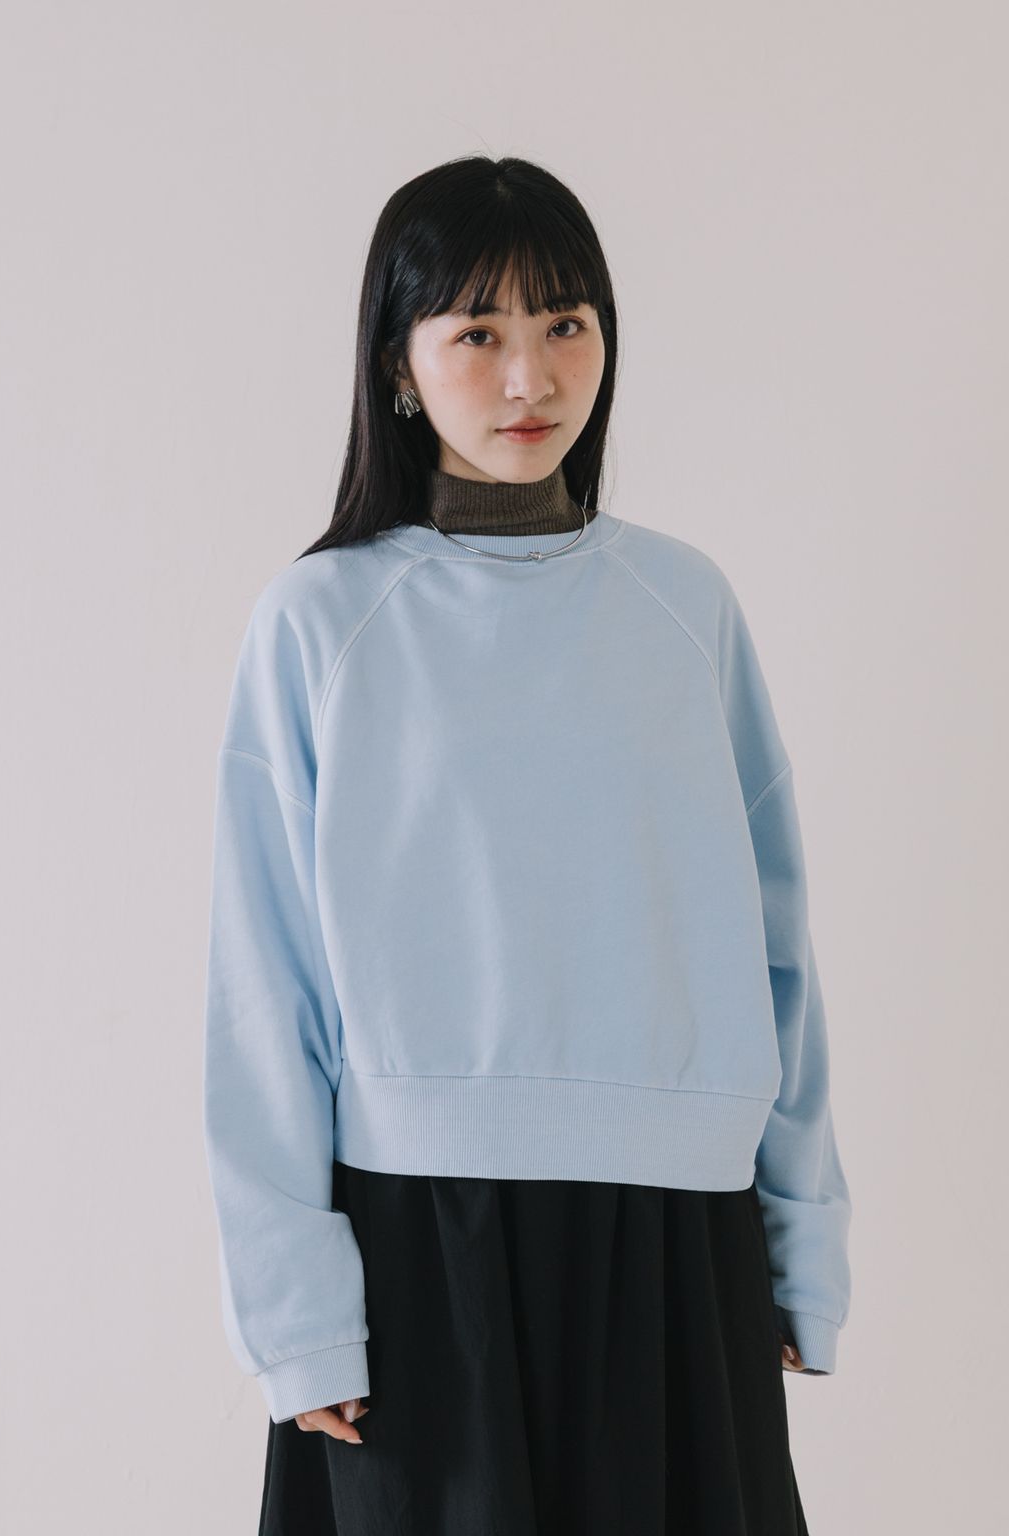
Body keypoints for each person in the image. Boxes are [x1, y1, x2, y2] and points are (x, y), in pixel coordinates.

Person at [203, 154, 852, 1535]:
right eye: (477, 332)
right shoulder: (322, 622)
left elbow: (775, 945)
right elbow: (266, 988)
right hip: (419, 1244)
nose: (529, 377)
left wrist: (801, 1239)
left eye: (565, 322)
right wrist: (293, 1310)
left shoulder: (684, 604)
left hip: (680, 1236)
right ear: (399, 364)